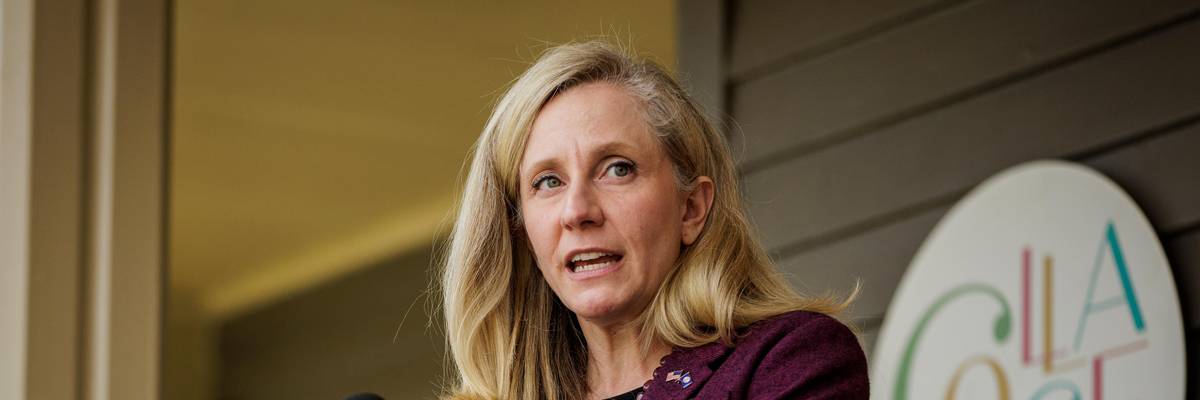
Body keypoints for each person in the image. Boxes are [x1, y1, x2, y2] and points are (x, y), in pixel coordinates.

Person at [439, 41, 868, 400]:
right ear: (522, 231)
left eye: (617, 168)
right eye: (548, 181)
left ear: (691, 209)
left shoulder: (790, 359)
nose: (577, 211)